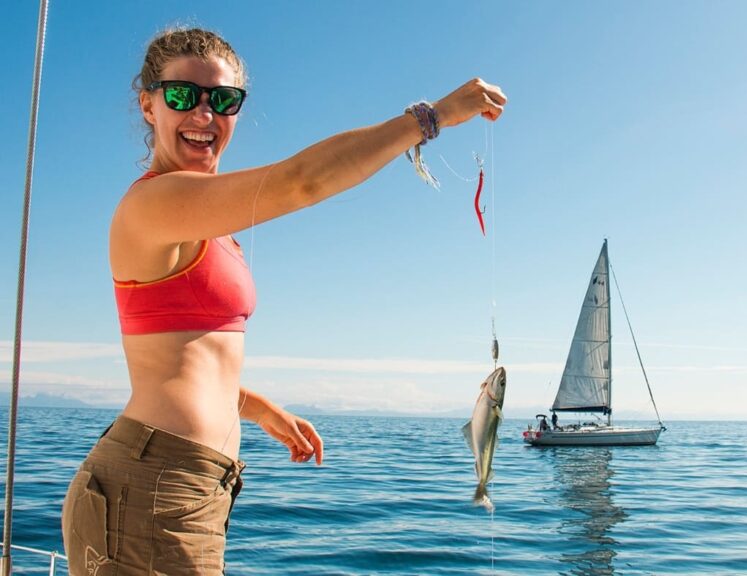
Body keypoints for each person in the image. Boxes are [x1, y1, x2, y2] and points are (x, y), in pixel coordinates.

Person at [60, 27, 506, 575]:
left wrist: (258, 409)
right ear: (148, 105)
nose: (203, 114)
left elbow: (180, 358)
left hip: (184, 484)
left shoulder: (214, 229)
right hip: (155, 487)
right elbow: (300, 182)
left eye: (222, 100)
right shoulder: (154, 203)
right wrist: (429, 118)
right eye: (181, 96)